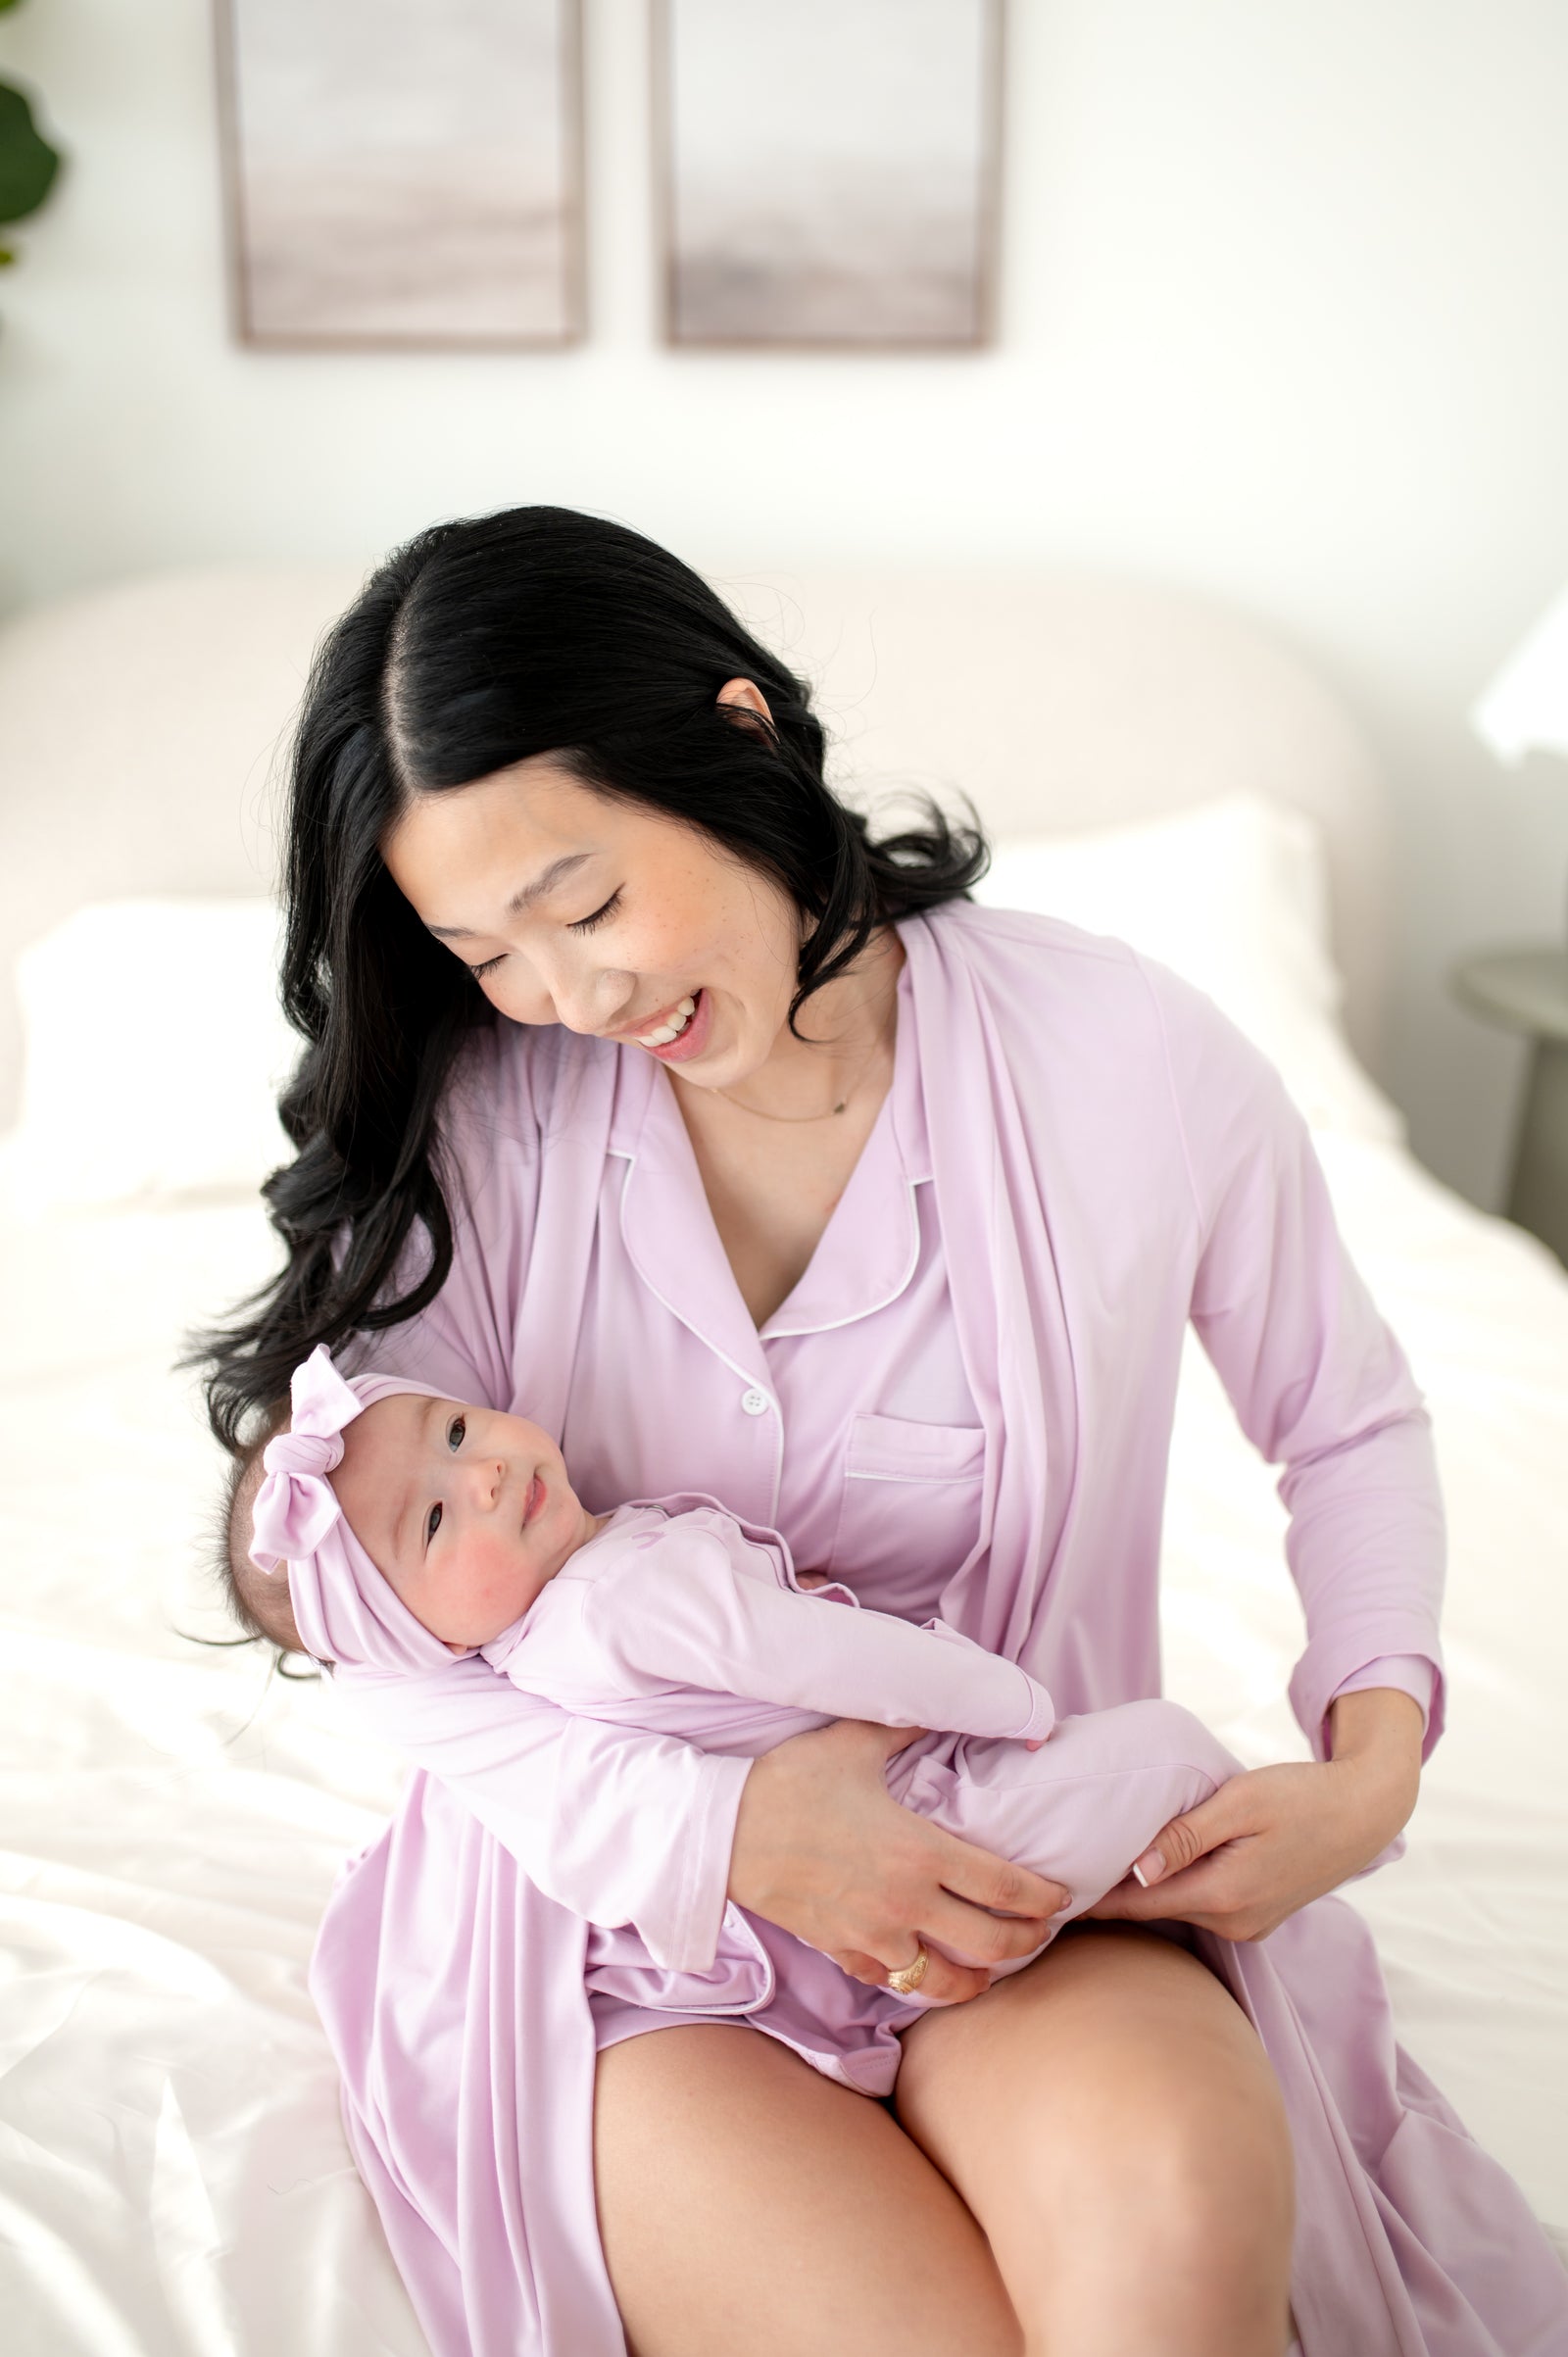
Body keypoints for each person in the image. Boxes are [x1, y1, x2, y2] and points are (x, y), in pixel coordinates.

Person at [202, 506, 1568, 2357]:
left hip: (1027, 1866)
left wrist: (1374, 1762)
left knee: (1173, 2246)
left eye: (588, 902)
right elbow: (360, 1623)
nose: (572, 997)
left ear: (738, 736)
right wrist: (724, 1830)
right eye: (487, 953)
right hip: (626, 1943)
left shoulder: (1123, 1055)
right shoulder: (477, 1120)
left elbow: (1345, 1417)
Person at [235, 1340, 1245, 2092]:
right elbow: (840, 1661)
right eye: (437, 1519)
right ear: (434, 1645)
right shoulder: (618, 1593)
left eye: (454, 1431)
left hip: (803, 1909)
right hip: (927, 1813)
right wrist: (1004, 1695)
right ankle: (1098, 1899)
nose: (483, 1472)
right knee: (1170, 1751)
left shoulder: (565, 1617)